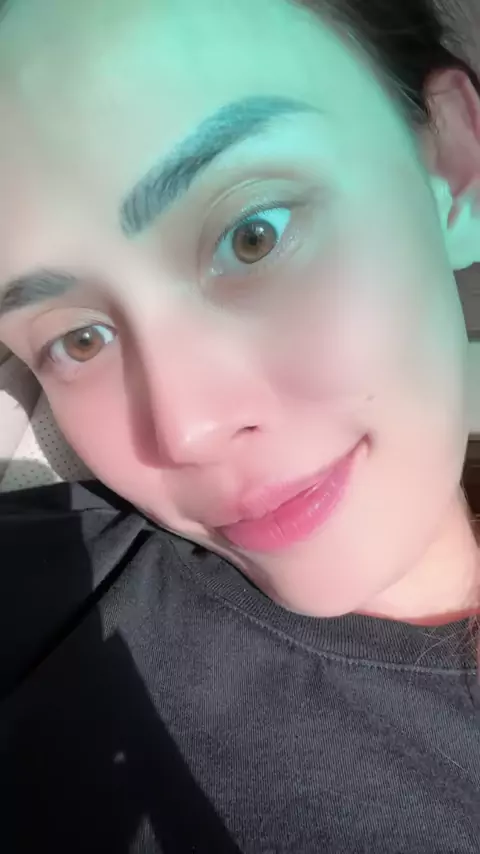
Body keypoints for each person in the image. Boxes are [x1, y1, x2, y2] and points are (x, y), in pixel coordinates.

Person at [1, 0, 480, 850]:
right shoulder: (52, 605)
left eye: (253, 236)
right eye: (80, 340)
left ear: (448, 165)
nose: (183, 430)